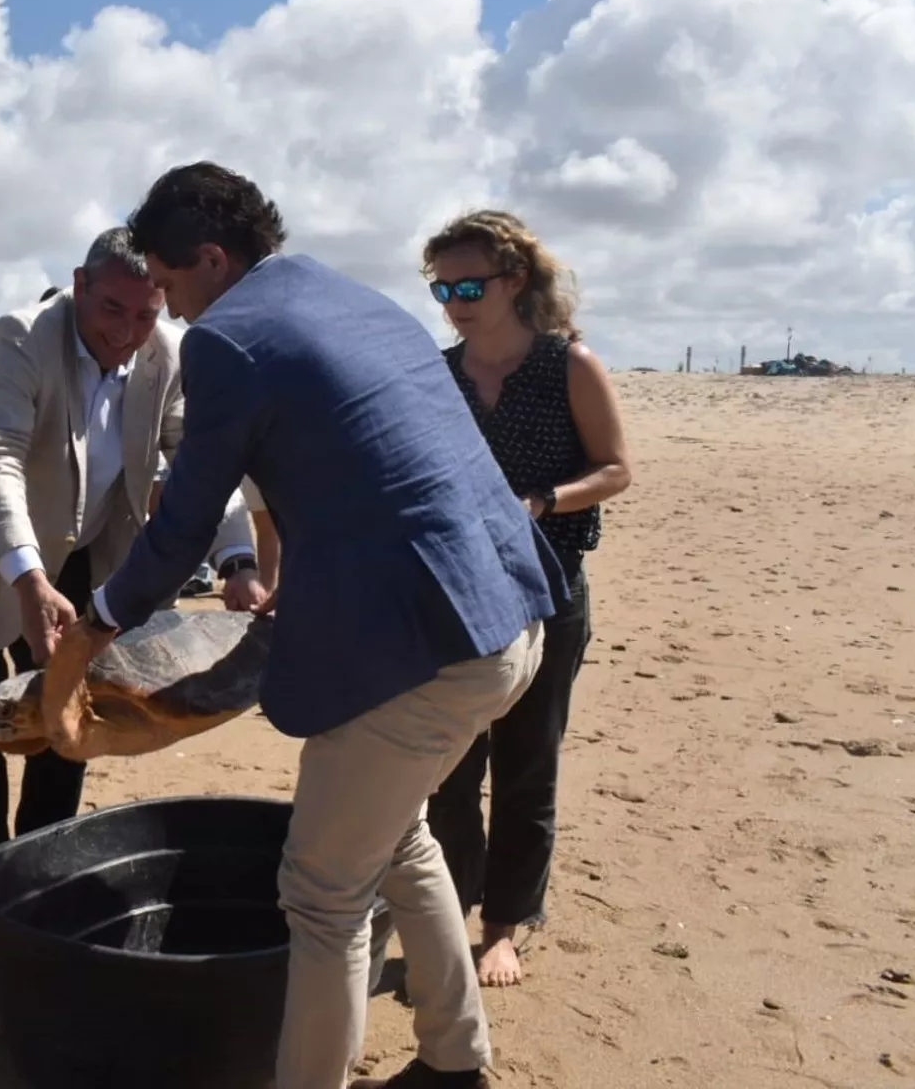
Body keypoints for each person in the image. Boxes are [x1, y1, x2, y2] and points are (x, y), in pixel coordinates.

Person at [71, 163, 570, 1089]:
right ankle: (455, 1061)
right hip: (506, 616)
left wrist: (92, 625)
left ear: (212, 261)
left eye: (172, 288)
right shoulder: (357, 300)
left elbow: (183, 517)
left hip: (424, 651)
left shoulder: (228, 339)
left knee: (322, 895)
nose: (172, 313)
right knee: (396, 838)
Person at [0, 226, 261, 981]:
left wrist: (238, 560)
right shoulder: (23, 338)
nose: (126, 334)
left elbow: (198, 463)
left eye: (145, 315)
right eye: (111, 311)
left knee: (67, 729)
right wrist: (27, 578)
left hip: (84, 557)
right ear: (79, 284)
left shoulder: (165, 357)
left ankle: (40, 897)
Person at [420, 211, 631, 988]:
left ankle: (505, 924)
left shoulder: (569, 365)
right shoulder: (437, 376)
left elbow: (615, 469)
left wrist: (541, 501)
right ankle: (450, 906)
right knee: (447, 762)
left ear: (514, 281)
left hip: (550, 590)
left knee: (526, 762)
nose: (454, 301)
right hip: (459, 594)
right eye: (441, 287)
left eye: (470, 284)